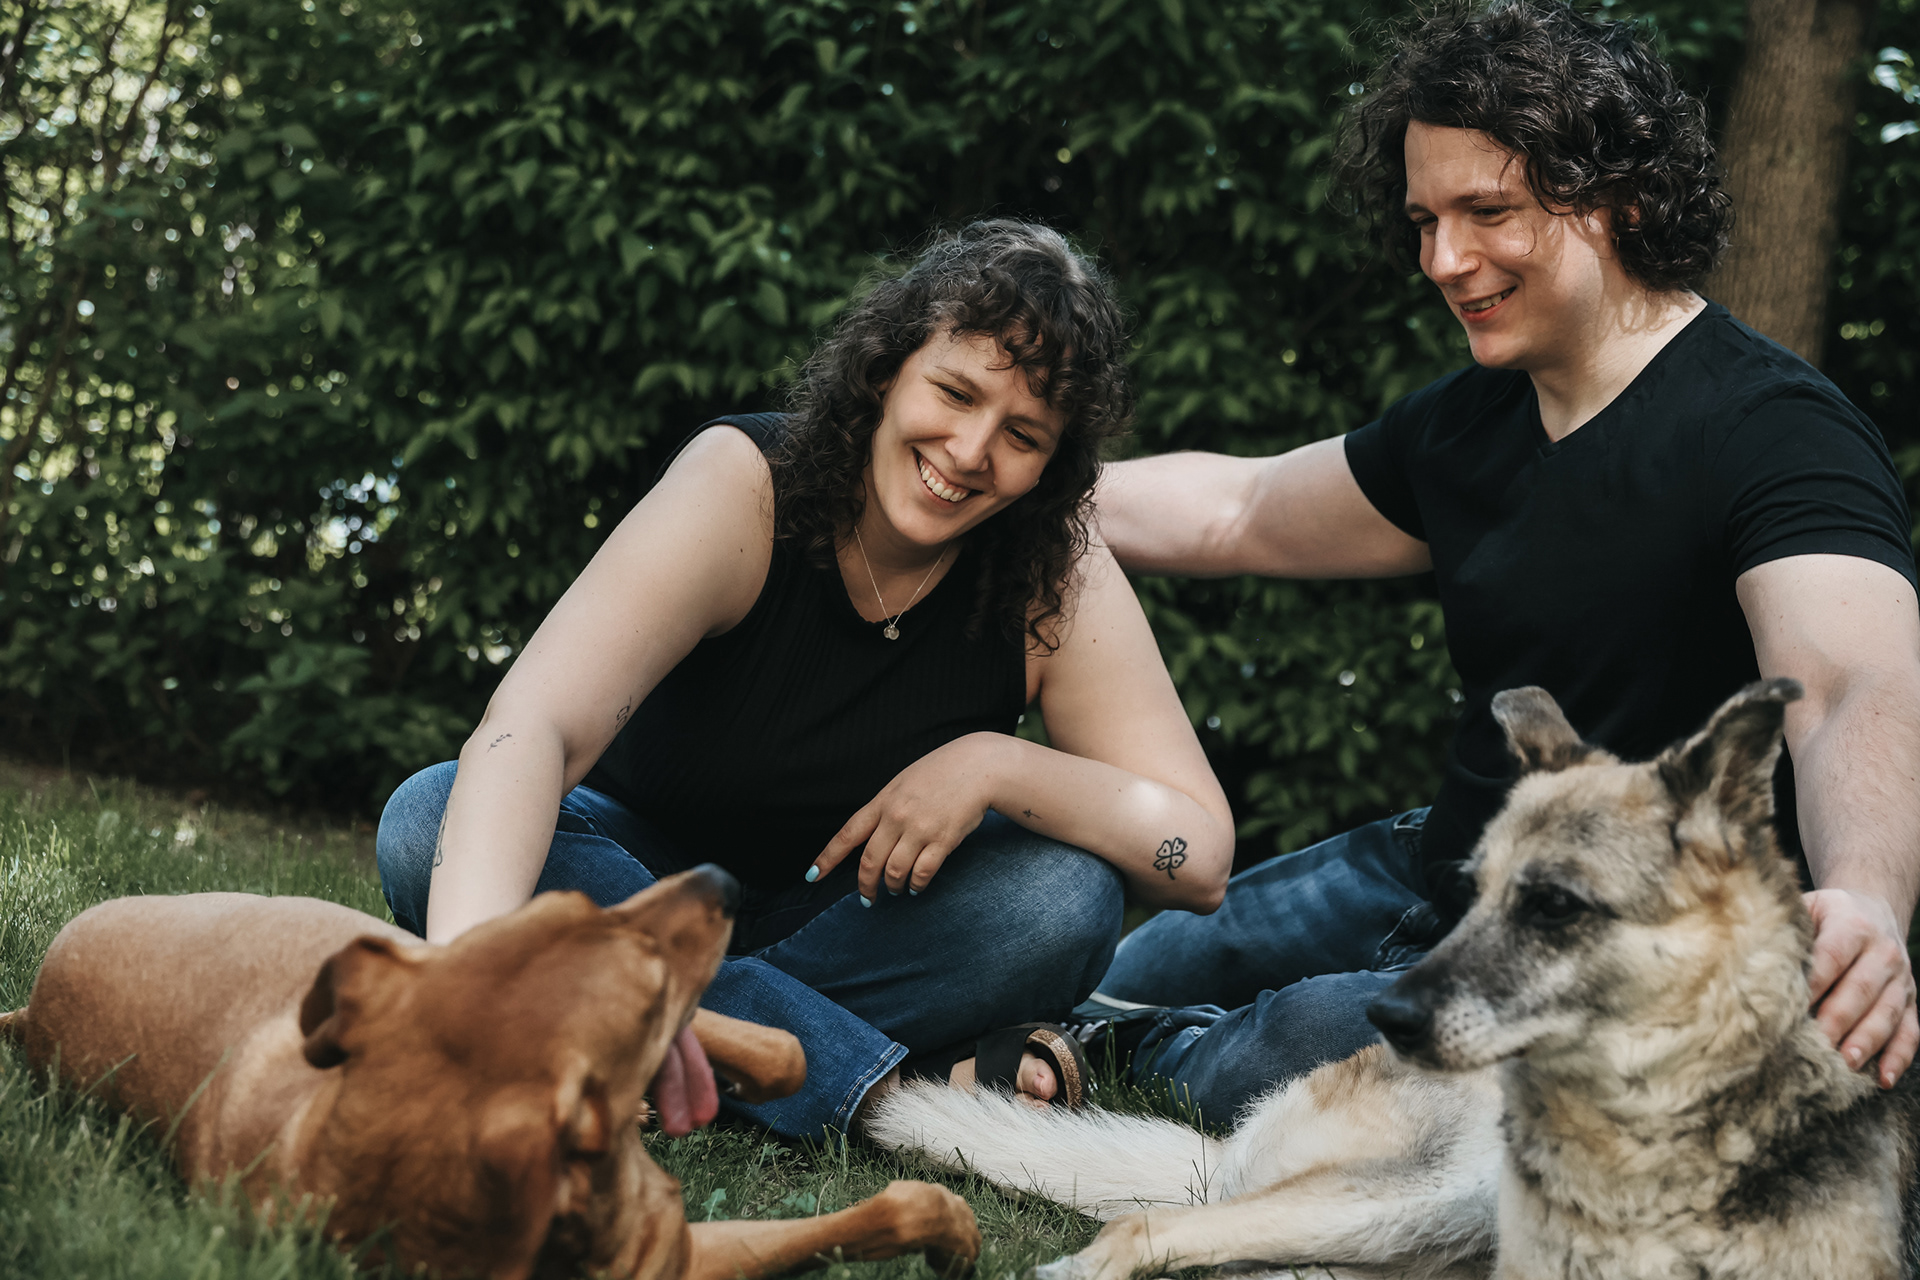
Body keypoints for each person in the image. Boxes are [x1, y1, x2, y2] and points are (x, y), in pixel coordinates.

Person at [1079, 0, 1920, 1123]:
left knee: (1290, 1049)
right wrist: (1012, 487)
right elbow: (1242, 509)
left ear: (1620, 199)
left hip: (1612, 951)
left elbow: (1849, 684)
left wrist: (1866, 895)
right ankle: (1083, 1031)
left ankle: (1085, 1060)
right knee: (1132, 965)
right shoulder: (1469, 422)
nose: (1443, 259)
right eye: (1425, 219)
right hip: (1441, 862)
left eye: (1488, 212)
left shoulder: (1773, 430)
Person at [376, 221, 1235, 1140]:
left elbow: (1200, 858)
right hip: (638, 883)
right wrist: (463, 990)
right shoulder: (746, 485)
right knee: (433, 816)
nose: (970, 450)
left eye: (1022, 435)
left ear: (1052, 465)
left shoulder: (1053, 573)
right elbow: (533, 726)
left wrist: (997, 765)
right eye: (954, 392)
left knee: (1066, 899)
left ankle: (633, 1030)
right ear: (887, 368)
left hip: (857, 926)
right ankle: (890, 1092)